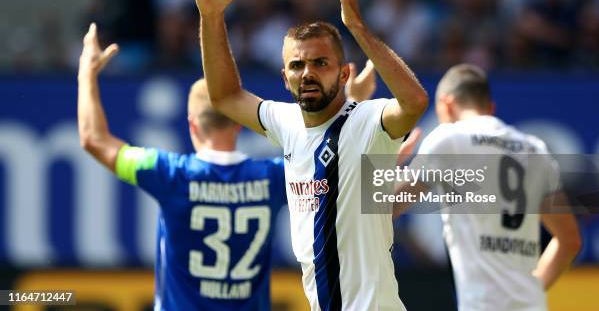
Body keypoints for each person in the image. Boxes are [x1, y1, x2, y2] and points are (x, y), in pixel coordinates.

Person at [77, 23, 376, 310]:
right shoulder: (273, 177)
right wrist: (352, 100)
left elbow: (94, 140)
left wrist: (87, 75)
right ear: (238, 124)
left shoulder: (170, 175)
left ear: (192, 126)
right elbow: (336, 160)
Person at [190, 0, 428, 310]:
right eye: (297, 65)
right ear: (284, 79)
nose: (308, 73)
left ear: (343, 73)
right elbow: (224, 96)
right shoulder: (284, 123)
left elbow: (414, 102)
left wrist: (358, 29)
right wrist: (211, 16)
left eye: (320, 63)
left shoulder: (368, 122)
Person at [396, 64, 581, 311]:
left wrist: (390, 164)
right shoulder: (535, 148)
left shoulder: (448, 139)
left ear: (445, 105)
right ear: (491, 108)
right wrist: (534, 289)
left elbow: (387, 207)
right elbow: (569, 241)